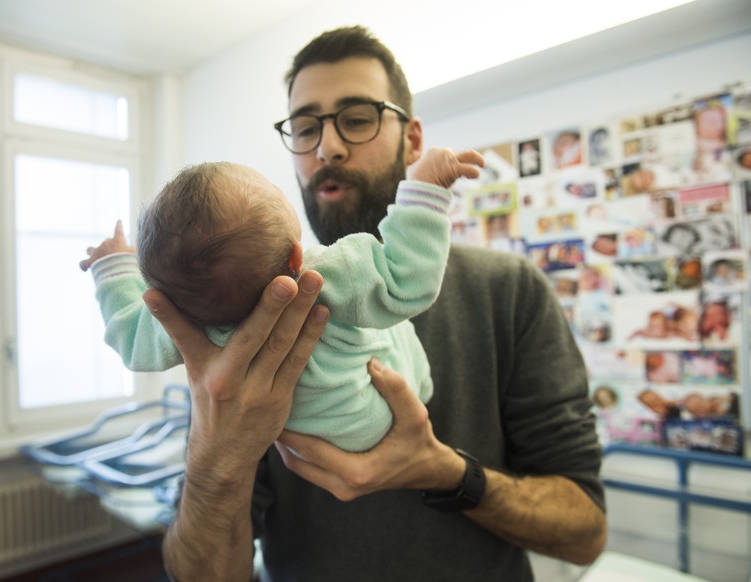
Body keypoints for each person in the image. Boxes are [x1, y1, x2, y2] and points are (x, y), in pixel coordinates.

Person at [82, 25, 606, 581]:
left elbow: (585, 533)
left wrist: (445, 472)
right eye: (305, 127)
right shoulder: (221, 321)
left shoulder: (509, 289)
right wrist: (215, 459)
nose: (327, 146)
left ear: (412, 139)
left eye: (357, 118)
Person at [84, 149, 482, 452]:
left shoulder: (181, 321)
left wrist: (114, 270)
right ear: (296, 256)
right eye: (275, 191)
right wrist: (424, 190)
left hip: (305, 440)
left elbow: (129, 336)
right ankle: (422, 386)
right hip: (377, 410)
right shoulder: (322, 272)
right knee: (394, 323)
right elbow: (407, 279)